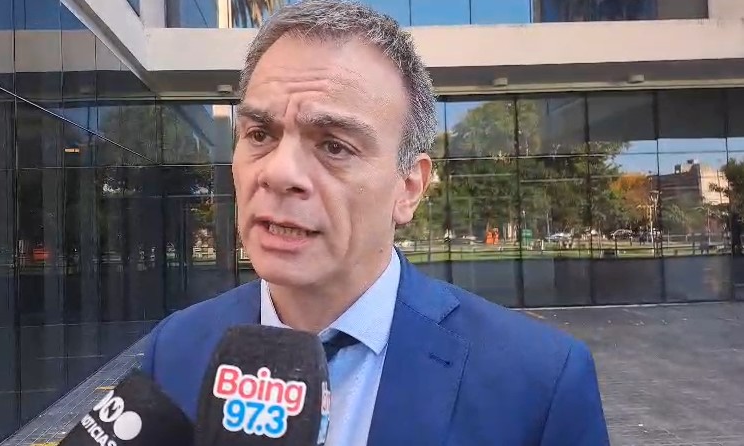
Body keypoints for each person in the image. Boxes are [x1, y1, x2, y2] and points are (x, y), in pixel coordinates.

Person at [140, 0, 610, 444]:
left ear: (408, 188)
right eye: (260, 134)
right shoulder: (175, 349)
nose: (279, 173)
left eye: (334, 146)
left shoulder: (539, 383)